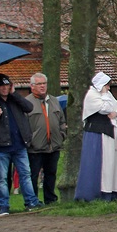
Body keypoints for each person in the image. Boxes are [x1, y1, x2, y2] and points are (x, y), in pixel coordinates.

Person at [0, 73, 42, 214]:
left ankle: (31, 202)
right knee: (2, 178)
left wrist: (14, 94)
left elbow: (28, 107)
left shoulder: (14, 99)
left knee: (25, 174)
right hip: (0, 145)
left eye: (7, 85)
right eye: (1, 86)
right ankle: (3, 206)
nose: (5, 88)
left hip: (19, 144)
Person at [74, 72, 117, 203]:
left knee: (113, 163)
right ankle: (95, 195)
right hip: (98, 134)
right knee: (102, 163)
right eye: (107, 85)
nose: (109, 88)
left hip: (111, 133)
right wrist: (103, 95)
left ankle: (113, 193)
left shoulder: (108, 95)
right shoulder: (92, 95)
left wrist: (114, 113)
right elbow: (105, 108)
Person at [25, 72, 66, 207]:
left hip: (53, 145)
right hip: (35, 147)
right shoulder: (26, 103)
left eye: (44, 83)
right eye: (39, 84)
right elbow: (23, 125)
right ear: (32, 86)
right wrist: (29, 141)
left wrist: (62, 135)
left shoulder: (54, 101)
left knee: (51, 173)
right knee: (33, 175)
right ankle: (33, 200)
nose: (42, 86)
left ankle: (50, 199)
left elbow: (62, 120)